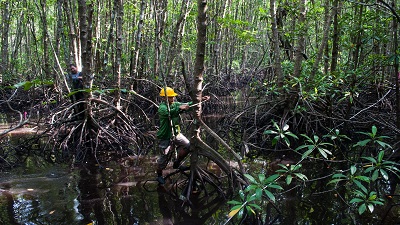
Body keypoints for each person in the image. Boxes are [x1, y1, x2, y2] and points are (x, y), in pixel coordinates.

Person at [156, 86, 210, 184]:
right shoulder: (162, 108)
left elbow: (188, 104)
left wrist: (201, 99)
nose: (173, 99)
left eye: (173, 97)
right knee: (163, 158)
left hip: (176, 134)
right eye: (170, 97)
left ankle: (176, 163)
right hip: (165, 136)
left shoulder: (175, 104)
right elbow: (170, 113)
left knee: (188, 145)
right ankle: (159, 175)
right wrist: (180, 109)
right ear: (164, 98)